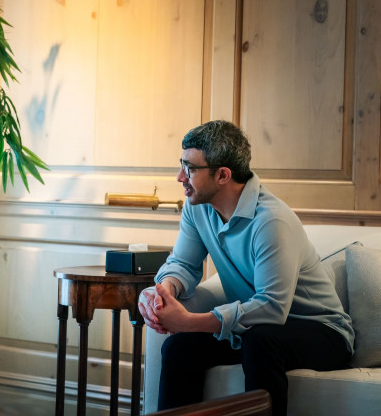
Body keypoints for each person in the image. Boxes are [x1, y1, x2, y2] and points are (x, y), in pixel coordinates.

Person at [138, 120, 354, 416]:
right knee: (179, 348)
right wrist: (164, 292)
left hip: (324, 332)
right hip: (256, 328)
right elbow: (183, 264)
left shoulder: (272, 221)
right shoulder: (196, 207)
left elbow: (272, 308)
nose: (180, 177)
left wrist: (189, 321)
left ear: (222, 175)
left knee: (260, 340)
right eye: (181, 165)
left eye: (190, 168)